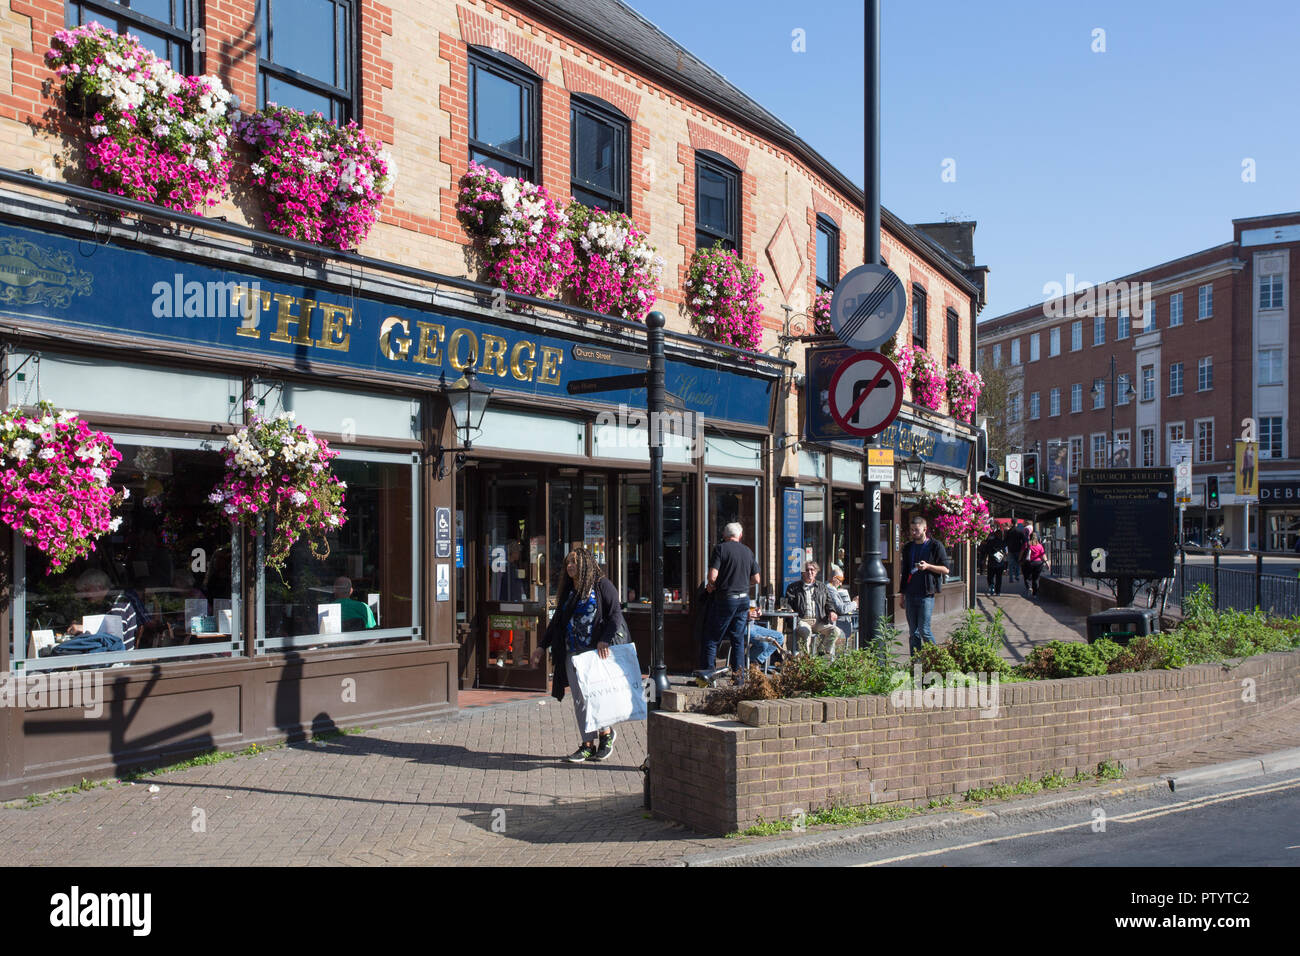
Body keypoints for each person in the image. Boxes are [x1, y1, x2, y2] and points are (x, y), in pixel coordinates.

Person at [532, 547, 629, 763]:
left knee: (596, 696)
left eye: (574, 562)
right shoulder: (570, 591)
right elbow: (557, 622)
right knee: (580, 700)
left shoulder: (602, 585)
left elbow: (615, 615)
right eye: (568, 563)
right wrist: (541, 646)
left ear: (585, 563)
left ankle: (606, 736)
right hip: (572, 652)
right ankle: (587, 744)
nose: (570, 566)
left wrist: (605, 638)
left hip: (595, 652)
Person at [702, 522, 760, 671]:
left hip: (726, 599)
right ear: (740, 536)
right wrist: (742, 582)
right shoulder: (748, 551)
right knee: (738, 639)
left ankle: (708, 674)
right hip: (743, 600)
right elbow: (757, 579)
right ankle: (738, 677)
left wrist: (714, 585)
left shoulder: (720, 549)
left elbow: (712, 576)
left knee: (712, 637)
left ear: (724, 536)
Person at [899, 515, 951, 656]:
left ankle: (938, 658)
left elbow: (946, 569)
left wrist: (928, 566)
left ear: (925, 529)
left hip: (926, 594)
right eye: (911, 530)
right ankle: (916, 662)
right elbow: (904, 572)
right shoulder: (908, 547)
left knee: (924, 630)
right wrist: (902, 595)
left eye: (916, 529)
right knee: (913, 632)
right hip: (910, 593)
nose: (913, 532)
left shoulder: (935, 546)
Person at [783, 561, 841, 656]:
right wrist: (791, 612)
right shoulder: (793, 587)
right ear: (802, 572)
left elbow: (829, 602)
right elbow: (787, 604)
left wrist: (831, 611)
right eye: (807, 570)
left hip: (819, 621)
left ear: (816, 572)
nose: (809, 572)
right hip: (802, 620)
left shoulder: (822, 587)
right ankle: (806, 659)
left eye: (812, 570)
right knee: (806, 631)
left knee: (835, 631)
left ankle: (820, 654)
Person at [979, 527, 1008, 596]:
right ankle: (998, 592)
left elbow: (986, 552)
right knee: (999, 578)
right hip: (1000, 563)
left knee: (990, 576)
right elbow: (1006, 553)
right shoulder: (1003, 543)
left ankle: (991, 586)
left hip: (991, 562)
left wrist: (984, 561)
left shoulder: (990, 542)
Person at [1022, 530, 1049, 596]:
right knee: (1036, 579)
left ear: (1030, 537)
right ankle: (1035, 594)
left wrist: (1019, 559)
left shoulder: (1027, 544)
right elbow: (1043, 555)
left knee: (1027, 576)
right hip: (1038, 563)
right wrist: (1047, 562)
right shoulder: (1040, 546)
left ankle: (1029, 587)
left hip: (1029, 563)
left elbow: (1021, 552)